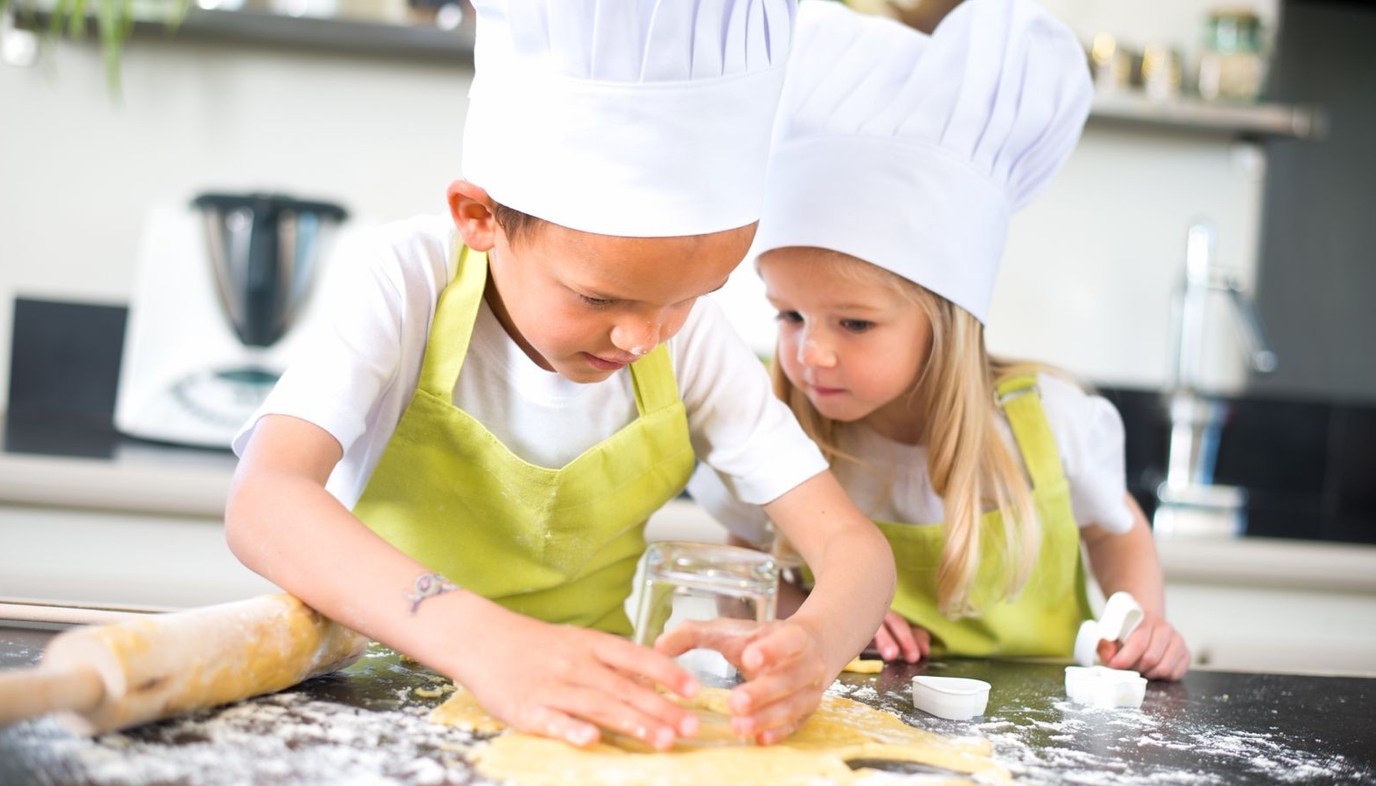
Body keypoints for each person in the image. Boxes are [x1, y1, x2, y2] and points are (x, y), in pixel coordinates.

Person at [224, 0, 895, 751]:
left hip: (588, 727)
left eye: (690, 297)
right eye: (599, 297)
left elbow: (855, 552)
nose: (645, 336)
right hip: (372, 707)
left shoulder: (692, 342)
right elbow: (266, 500)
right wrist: (488, 644)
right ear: (479, 217)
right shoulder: (406, 281)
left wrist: (815, 644)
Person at [687, 0, 1190, 681]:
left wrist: (1140, 622)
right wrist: (820, 612)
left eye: (854, 323)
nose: (813, 352)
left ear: (946, 319)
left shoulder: (1046, 424)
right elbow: (744, 563)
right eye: (789, 315)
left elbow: (1115, 530)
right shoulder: (782, 434)